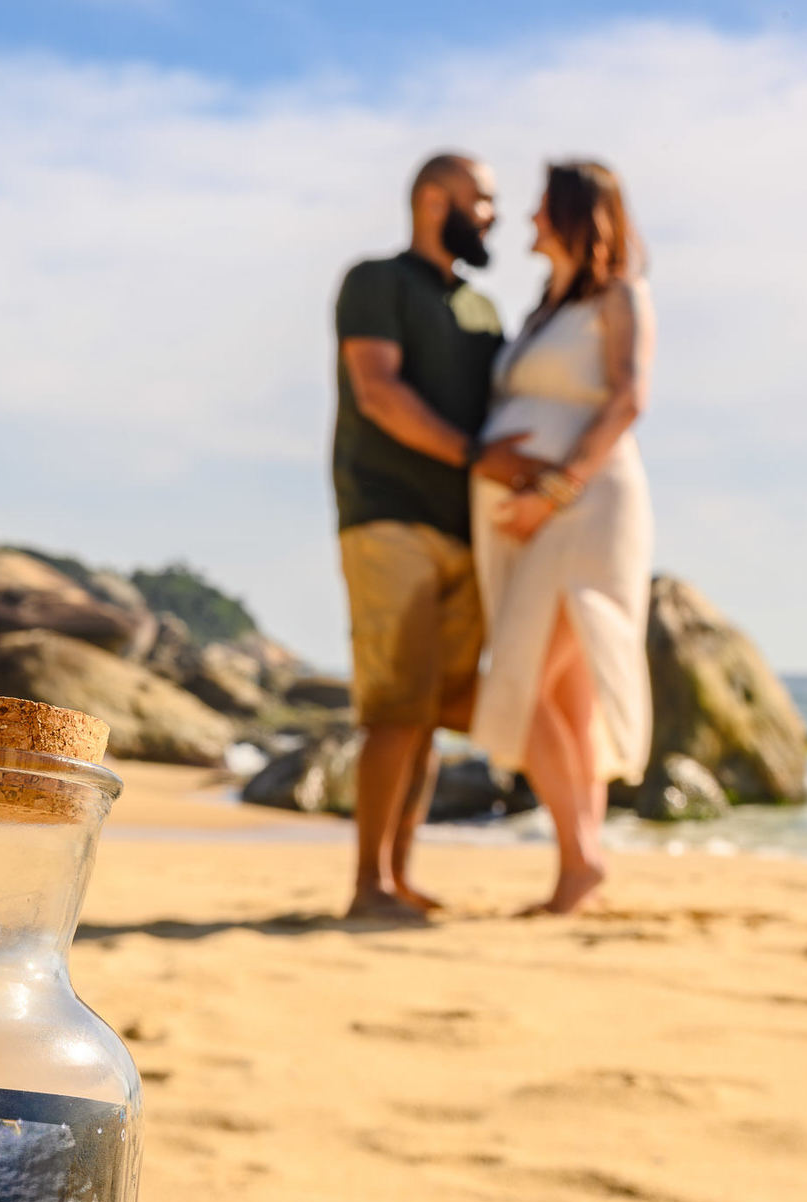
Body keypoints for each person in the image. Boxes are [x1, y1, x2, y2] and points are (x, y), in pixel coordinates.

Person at [332, 152, 547, 922]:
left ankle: (398, 873)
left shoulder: (485, 310)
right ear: (432, 198)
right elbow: (377, 390)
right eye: (481, 198)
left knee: (428, 714)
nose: (491, 213)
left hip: (469, 535)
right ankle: (367, 885)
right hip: (388, 518)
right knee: (394, 706)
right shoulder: (376, 282)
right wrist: (473, 455)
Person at [470, 160, 654, 914]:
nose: (529, 220)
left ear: (578, 215)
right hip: (528, 518)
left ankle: (583, 859)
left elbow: (629, 398)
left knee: (527, 675)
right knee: (566, 698)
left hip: (587, 507)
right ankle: (578, 869)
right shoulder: (545, 309)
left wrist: (552, 490)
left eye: (543, 207)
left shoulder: (620, 295)